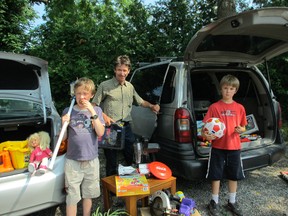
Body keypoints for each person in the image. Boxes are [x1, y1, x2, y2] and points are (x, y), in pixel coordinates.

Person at [92, 55, 160, 176]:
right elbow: (93, 106)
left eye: (124, 70)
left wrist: (152, 106)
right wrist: (104, 116)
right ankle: (112, 191)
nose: (122, 73)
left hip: (126, 127)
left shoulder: (130, 87)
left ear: (128, 71)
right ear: (115, 70)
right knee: (111, 160)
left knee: (130, 157)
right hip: (111, 128)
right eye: (119, 69)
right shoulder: (105, 85)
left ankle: (129, 185)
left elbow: (140, 101)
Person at [201, 74, 247, 216]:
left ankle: (232, 202)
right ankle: (214, 201)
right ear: (221, 89)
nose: (228, 91)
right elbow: (204, 129)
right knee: (216, 175)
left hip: (234, 147)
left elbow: (244, 126)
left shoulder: (240, 108)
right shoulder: (214, 107)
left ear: (235, 90)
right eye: (225, 88)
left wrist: (241, 130)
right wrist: (205, 135)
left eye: (231, 88)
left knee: (233, 175)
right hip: (218, 148)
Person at [61, 77, 105, 216]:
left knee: (88, 194)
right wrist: (64, 124)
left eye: (85, 94)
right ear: (74, 93)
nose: (81, 97)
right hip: (72, 161)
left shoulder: (97, 110)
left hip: (91, 160)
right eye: (79, 93)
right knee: (71, 197)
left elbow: (100, 132)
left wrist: (92, 112)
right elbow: (63, 138)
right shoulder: (68, 111)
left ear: (91, 95)